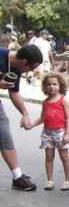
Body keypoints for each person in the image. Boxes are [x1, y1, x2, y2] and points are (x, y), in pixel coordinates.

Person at [0, 44, 43, 190]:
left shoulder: (16, 69)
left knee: (4, 133)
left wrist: (25, 113)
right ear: (24, 62)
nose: (29, 72)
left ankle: (17, 177)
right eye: (30, 68)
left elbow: (14, 92)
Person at [29, 73, 69, 191]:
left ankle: (67, 180)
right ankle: (50, 180)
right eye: (48, 84)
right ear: (45, 87)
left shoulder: (63, 101)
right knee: (48, 156)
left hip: (61, 132)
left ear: (60, 85)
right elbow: (42, 118)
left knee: (64, 156)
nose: (51, 87)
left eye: (54, 84)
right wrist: (31, 125)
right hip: (47, 132)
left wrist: (67, 134)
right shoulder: (45, 102)